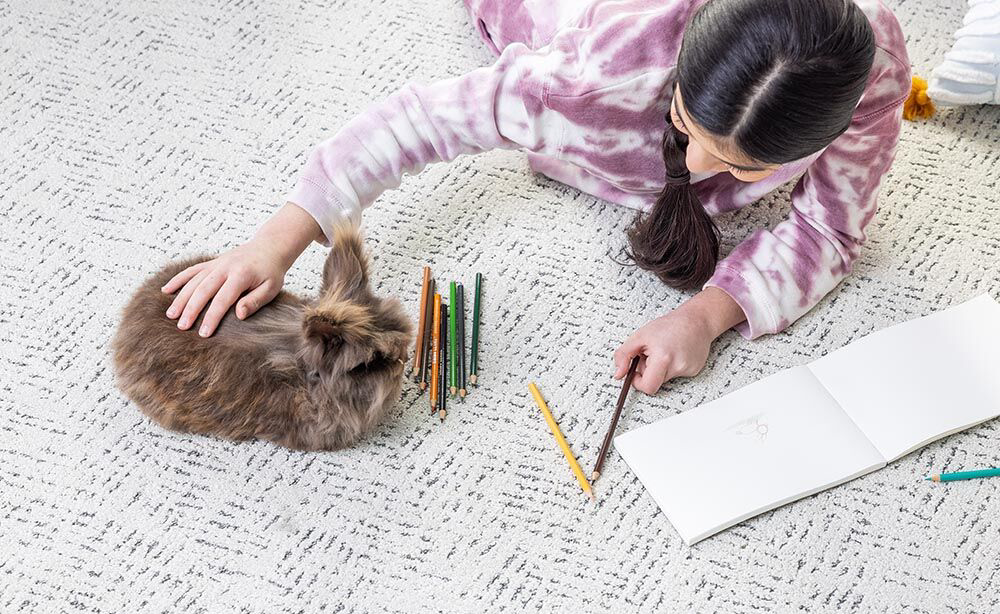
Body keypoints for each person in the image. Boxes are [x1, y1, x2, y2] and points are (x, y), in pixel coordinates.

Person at [161, 0, 911, 395]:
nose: (698, 164)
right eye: (686, 125)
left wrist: (706, 315)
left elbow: (829, 231)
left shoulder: (869, 63)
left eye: (743, 166)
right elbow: (421, 119)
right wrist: (279, 238)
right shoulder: (585, 81)